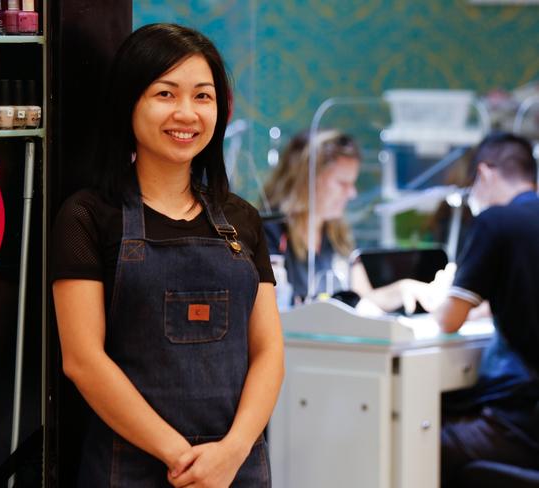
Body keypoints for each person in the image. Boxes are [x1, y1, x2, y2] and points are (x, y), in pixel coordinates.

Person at [51, 23, 284, 487]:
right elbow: (82, 360)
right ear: (128, 102)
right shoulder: (88, 216)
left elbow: (269, 350)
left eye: (203, 96)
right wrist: (182, 458)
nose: (186, 113)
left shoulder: (242, 218)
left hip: (235, 469)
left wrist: (232, 452)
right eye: (165, 94)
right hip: (131, 469)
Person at [418, 132, 539, 486]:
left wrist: (430, 292)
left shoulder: (498, 222)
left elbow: (448, 318)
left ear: (484, 173)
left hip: (520, 419)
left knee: (419, 438)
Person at [263, 129, 424, 312]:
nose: (352, 193)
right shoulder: (269, 232)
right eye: (342, 183)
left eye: (352, 183)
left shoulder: (336, 234)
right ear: (307, 180)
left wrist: (404, 289)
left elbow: (363, 297)